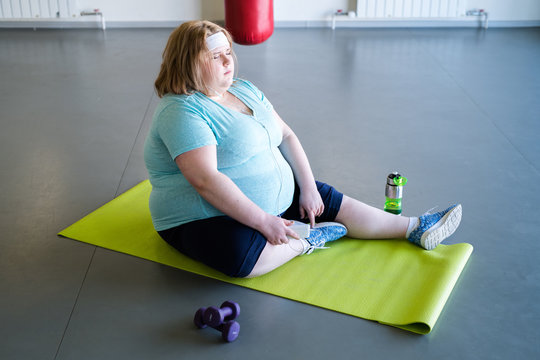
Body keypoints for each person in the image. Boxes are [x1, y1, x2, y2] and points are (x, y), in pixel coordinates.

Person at [143, 20, 462, 278]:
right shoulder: (182, 111)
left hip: (274, 203)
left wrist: (308, 188)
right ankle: (308, 238)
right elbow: (206, 180)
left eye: (228, 52)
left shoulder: (244, 89)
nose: (228, 61)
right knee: (242, 258)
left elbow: (287, 136)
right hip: (201, 218)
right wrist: (263, 222)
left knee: (326, 200)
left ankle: (413, 227)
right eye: (215, 56)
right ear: (188, 63)